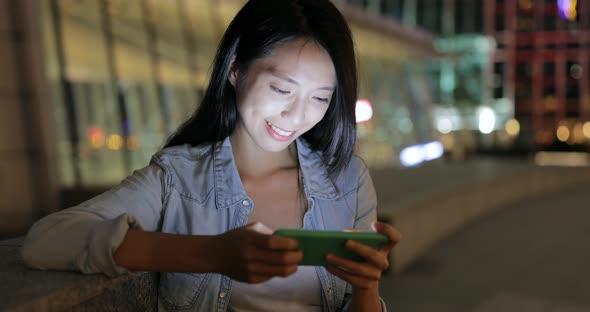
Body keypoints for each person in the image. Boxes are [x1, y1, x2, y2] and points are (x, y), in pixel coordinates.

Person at [21, 0, 401, 311]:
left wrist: (367, 287)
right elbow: (47, 239)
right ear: (235, 69)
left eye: (320, 98)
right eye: (282, 89)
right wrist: (211, 254)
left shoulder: (347, 179)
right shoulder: (178, 180)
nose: (297, 115)